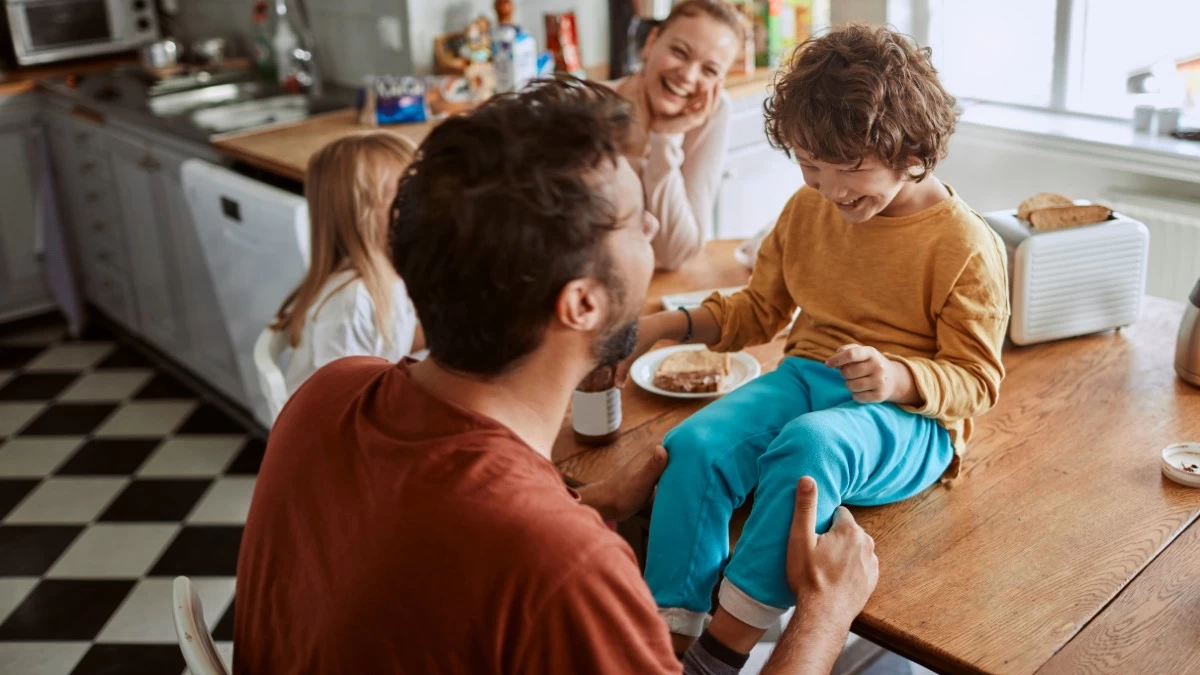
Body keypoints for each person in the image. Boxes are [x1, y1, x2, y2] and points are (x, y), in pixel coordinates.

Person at [235, 79, 878, 675]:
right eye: (634, 220)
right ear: (582, 304)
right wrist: (824, 614)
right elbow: (516, 553)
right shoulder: (566, 570)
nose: (653, 225)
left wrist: (584, 504)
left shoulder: (332, 389)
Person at [620, 25, 1010, 656]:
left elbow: (978, 381)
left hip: (912, 422)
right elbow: (760, 310)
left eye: (850, 169)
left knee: (811, 445)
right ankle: (669, 639)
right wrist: (660, 328)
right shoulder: (809, 209)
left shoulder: (965, 244)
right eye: (810, 167)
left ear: (912, 150)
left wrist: (897, 377)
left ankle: (723, 650)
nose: (831, 191)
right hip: (806, 376)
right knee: (693, 446)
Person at [270, 132, 424, 395]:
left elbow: (394, 341)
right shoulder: (351, 304)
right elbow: (336, 404)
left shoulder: (387, 278)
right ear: (360, 217)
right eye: (403, 199)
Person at [613, 0, 743, 270]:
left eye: (709, 70)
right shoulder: (588, 104)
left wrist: (665, 139)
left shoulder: (712, 111)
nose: (688, 76)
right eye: (680, 52)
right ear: (651, 43)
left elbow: (677, 253)